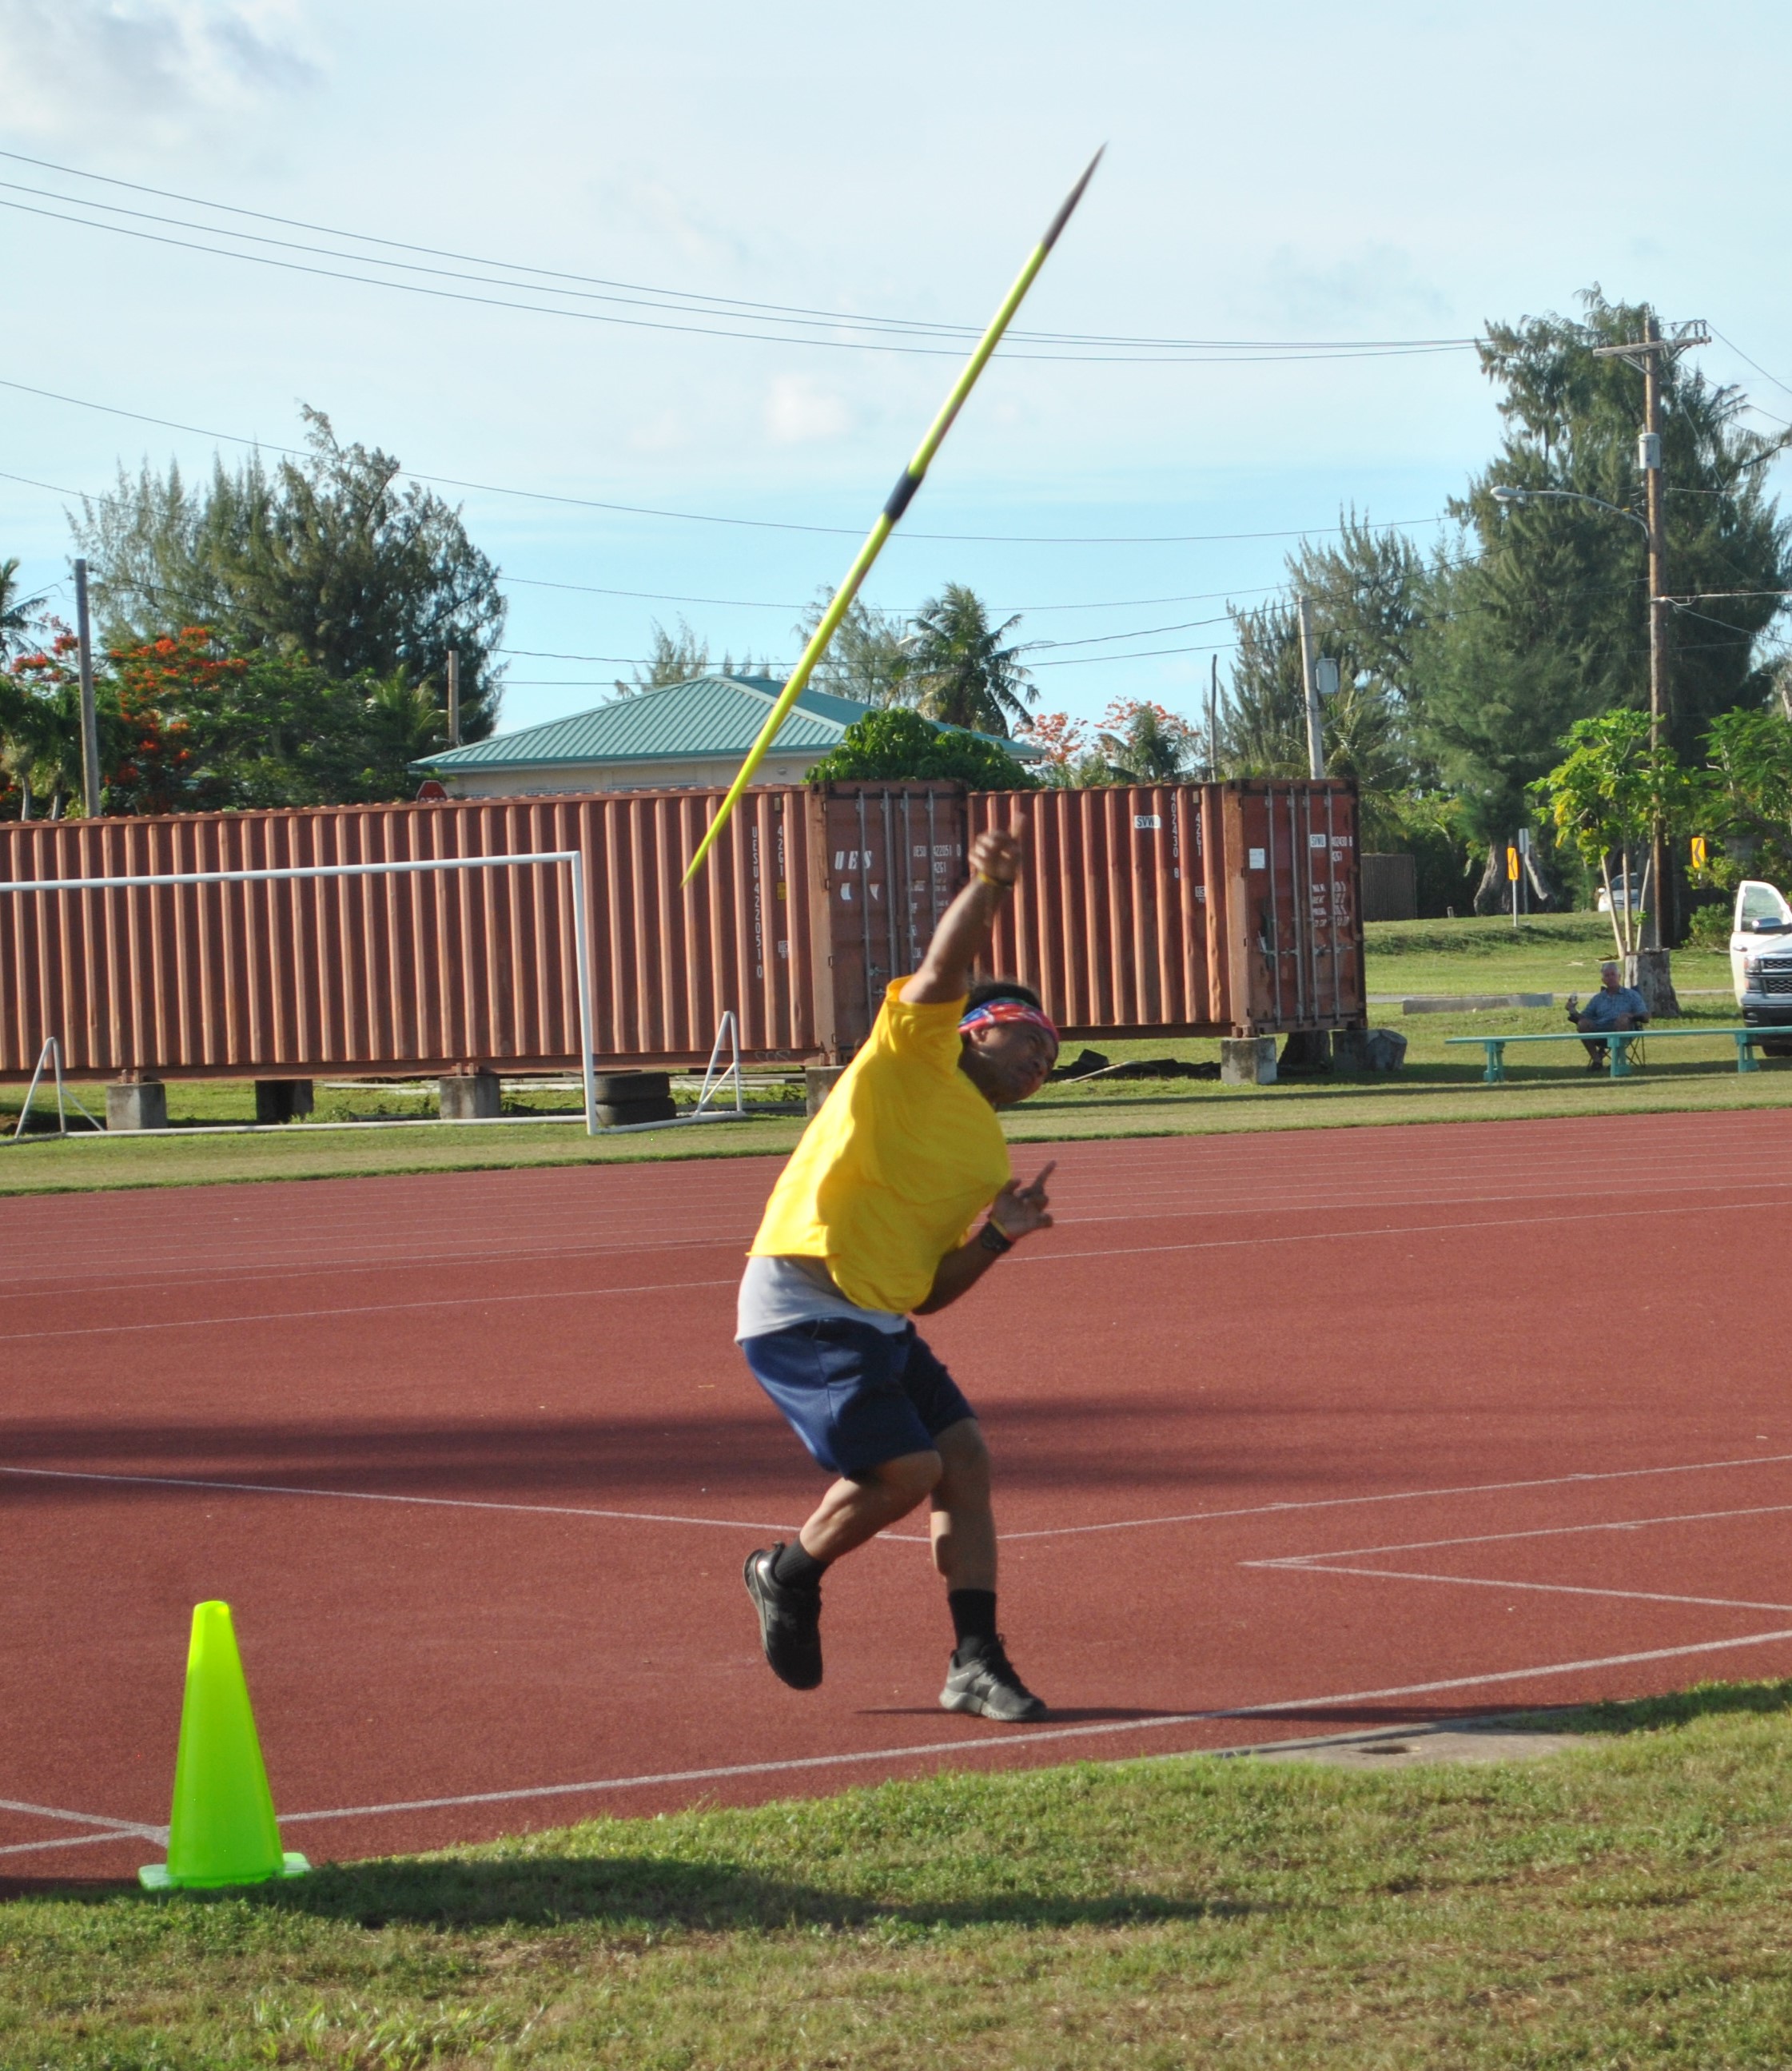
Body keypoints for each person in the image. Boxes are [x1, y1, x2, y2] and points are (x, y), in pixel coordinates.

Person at [735, 826, 1059, 1722]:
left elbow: (927, 1292)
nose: (1042, 1063)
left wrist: (998, 1236)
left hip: (877, 1318)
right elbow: (941, 967)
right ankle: (785, 1572)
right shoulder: (911, 1050)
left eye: (1054, 1063)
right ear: (975, 1029)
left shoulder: (982, 1146)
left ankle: (975, 1660)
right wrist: (986, 884)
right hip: (801, 1303)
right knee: (907, 1466)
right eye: (1030, 1039)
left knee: (962, 1460)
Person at [1566, 961, 1649, 1069]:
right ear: (1603, 980)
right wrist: (1572, 1010)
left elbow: (1645, 1015)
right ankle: (1597, 1061)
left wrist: (1630, 1016)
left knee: (1622, 1019)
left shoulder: (1632, 995)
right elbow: (1585, 1018)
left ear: (1619, 977)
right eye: (1607, 976)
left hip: (1624, 1029)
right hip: (1601, 1031)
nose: (1610, 978)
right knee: (1582, 1024)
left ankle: (1616, 1061)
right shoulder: (1598, 998)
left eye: (1613, 974)